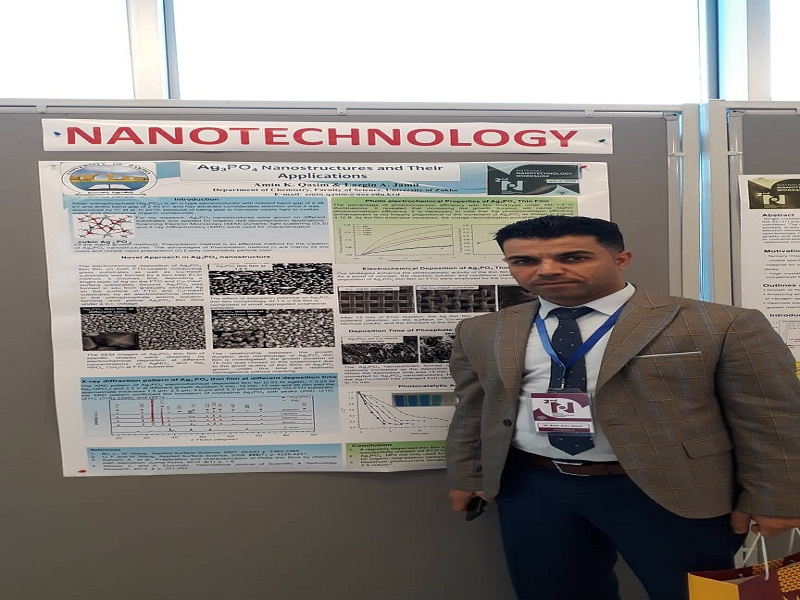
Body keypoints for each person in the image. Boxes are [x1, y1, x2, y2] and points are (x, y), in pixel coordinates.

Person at [445, 215, 800, 600]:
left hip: (673, 488)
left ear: (621, 258)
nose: (547, 270)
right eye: (524, 261)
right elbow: (472, 411)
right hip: (535, 486)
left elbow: (772, 420)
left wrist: (776, 498)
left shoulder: (721, 323)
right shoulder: (481, 330)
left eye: (573, 257)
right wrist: (468, 475)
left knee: (691, 594)